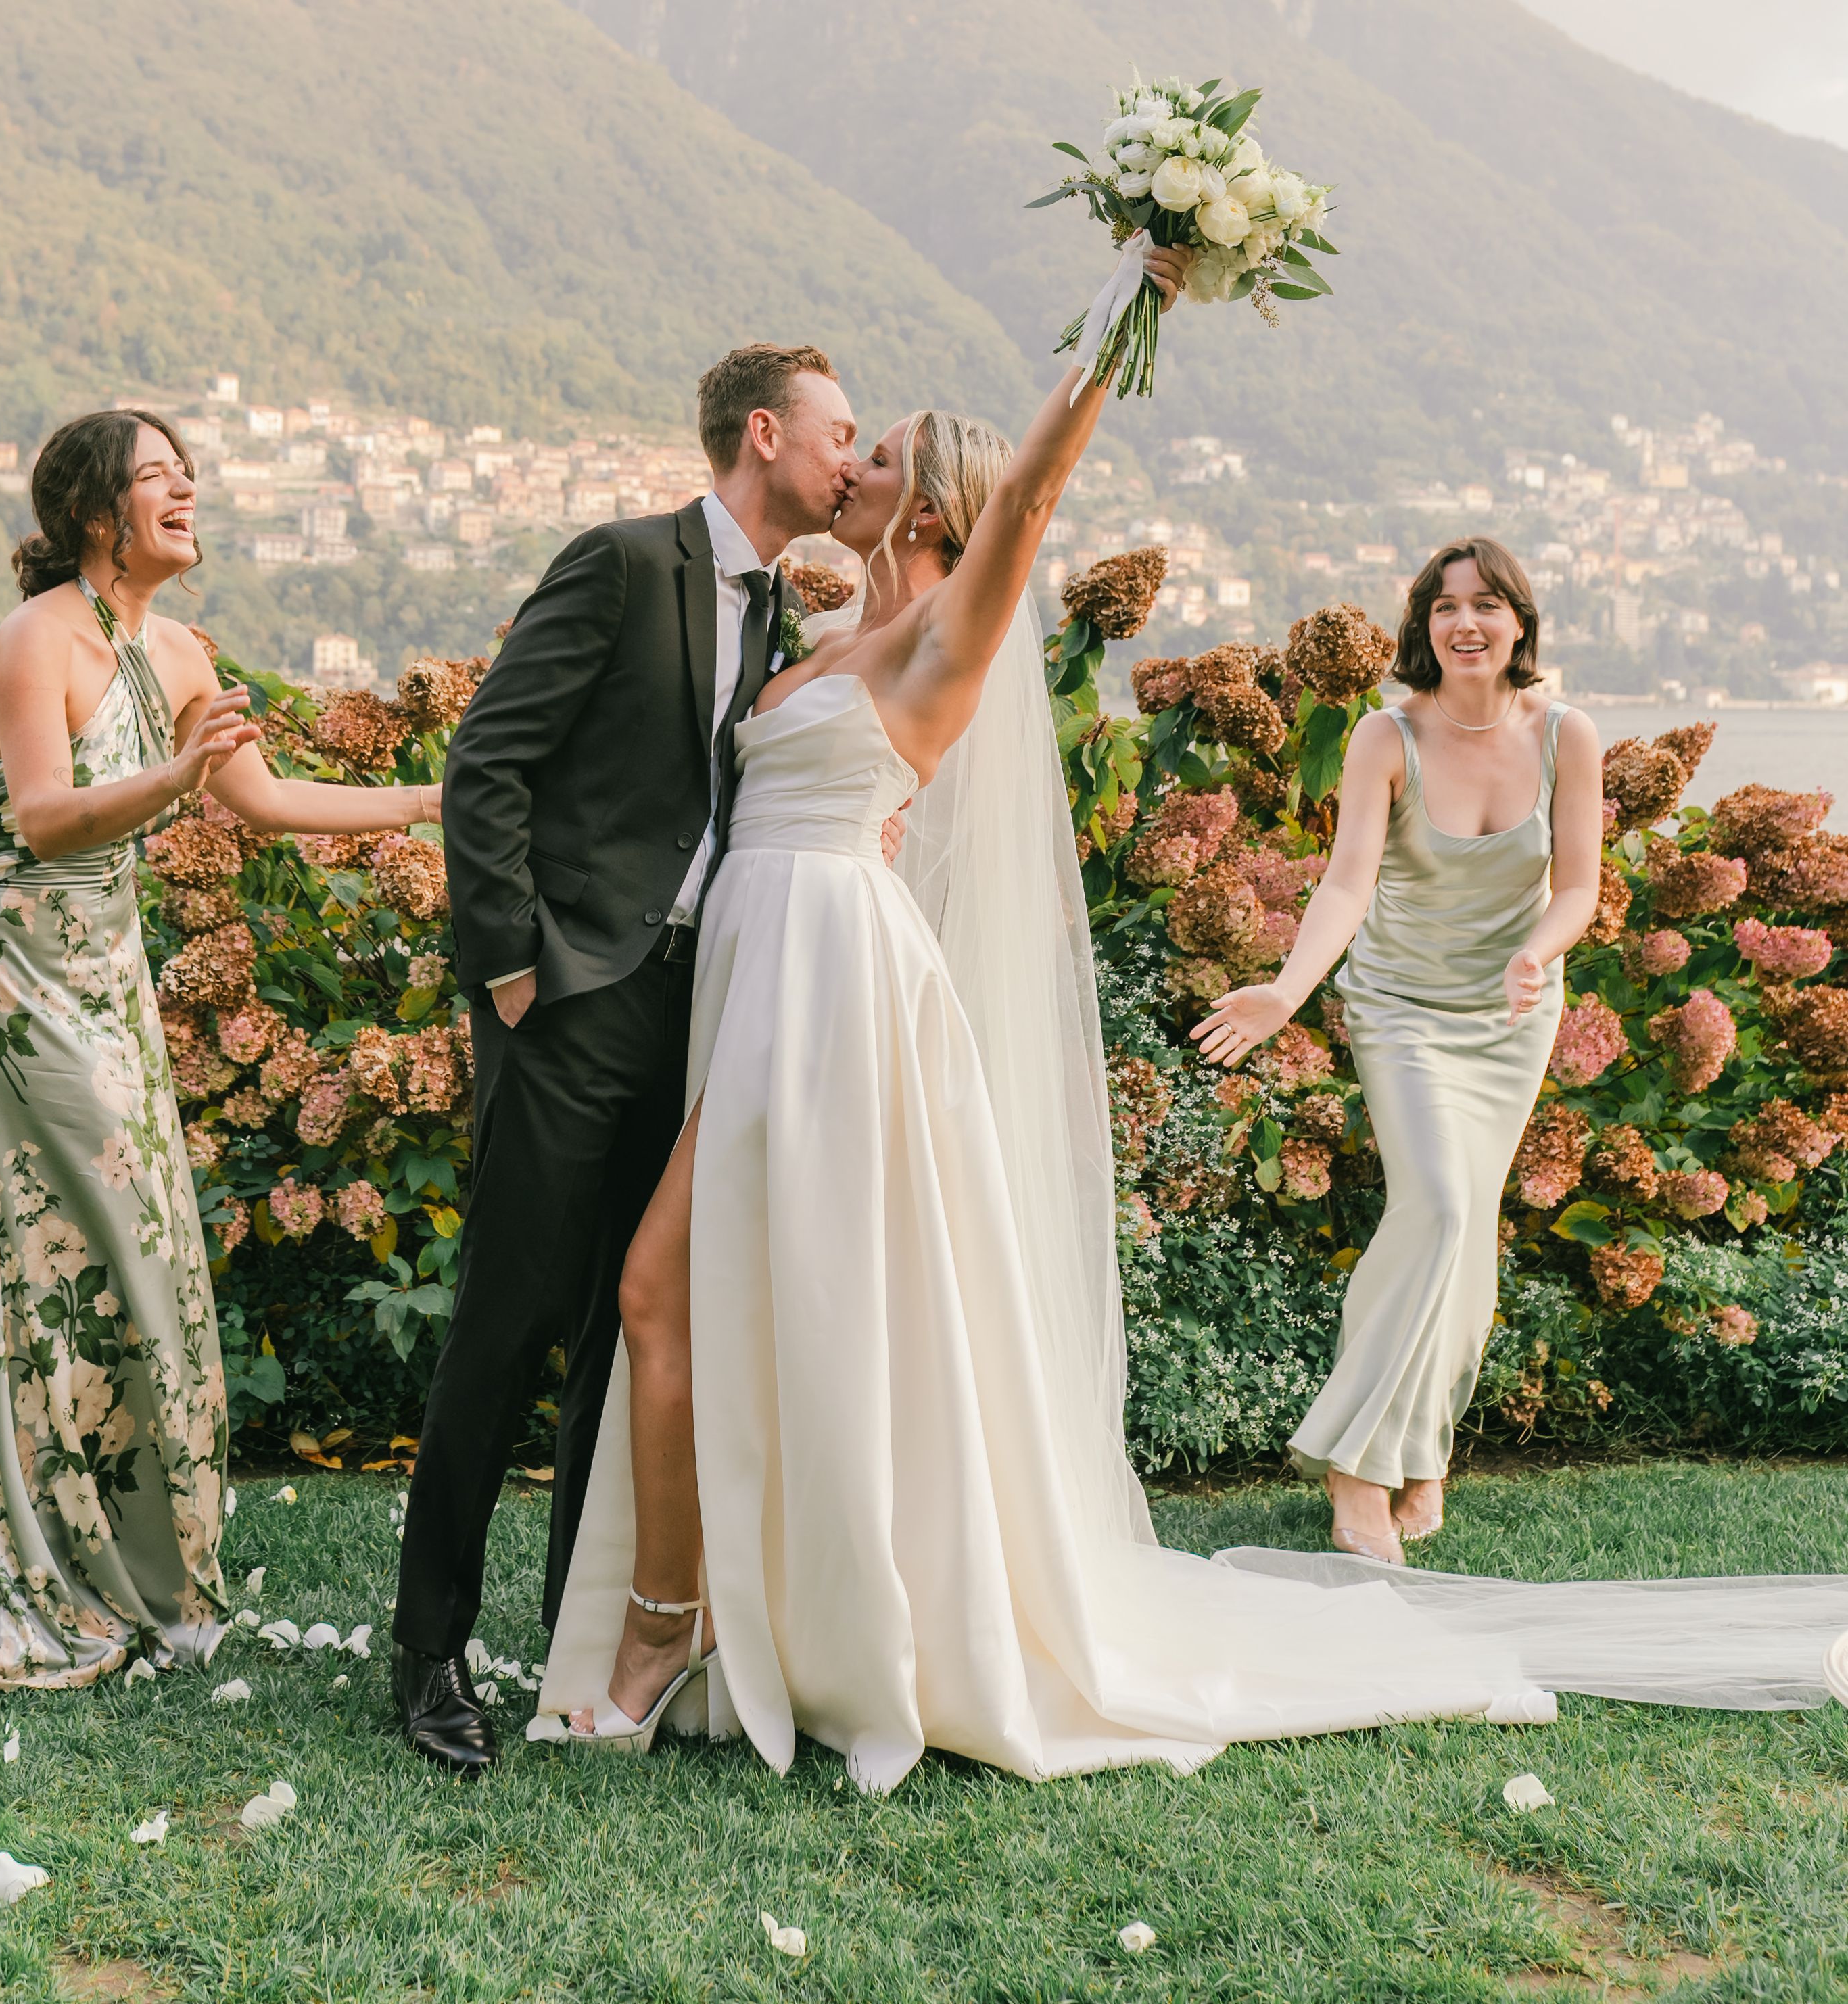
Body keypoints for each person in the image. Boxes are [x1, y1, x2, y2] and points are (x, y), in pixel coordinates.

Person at [536, 355, 1848, 1786]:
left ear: (931, 504)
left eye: (878, 454)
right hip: (768, 967)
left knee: (691, 1291)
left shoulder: (946, 638)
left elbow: (1032, 497)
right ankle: (731, 1609)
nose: (848, 468)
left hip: (830, 981)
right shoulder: (821, 623)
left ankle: (689, 1628)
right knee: (713, 1297)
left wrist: (1132, 304)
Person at [390, 342, 884, 1777]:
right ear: (762, 433)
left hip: (693, 1012)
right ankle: (428, 1658)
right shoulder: (621, 563)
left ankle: (568, 1633)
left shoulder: (792, 606)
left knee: (629, 1331)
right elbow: (488, 760)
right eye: (837, 434)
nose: (852, 462)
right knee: (509, 1320)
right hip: (570, 1005)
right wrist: (511, 971)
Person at [0, 411, 440, 1690]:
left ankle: (142, 1552)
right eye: (158, 476)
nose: (187, 489)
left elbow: (261, 801)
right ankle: (40, 1548)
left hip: (110, 980)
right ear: (100, 515)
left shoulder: (177, 647)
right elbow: (42, 819)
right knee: (64, 1258)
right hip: (21, 980)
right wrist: (175, 778)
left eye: (184, 471)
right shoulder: (33, 640)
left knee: (143, 1247)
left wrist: (437, 796)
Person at [1193, 540, 1601, 1563]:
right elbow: (1346, 883)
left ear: (1520, 624)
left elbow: (1578, 890)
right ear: (1425, 625)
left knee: (1466, 1237)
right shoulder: (1387, 735)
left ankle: (1424, 1448)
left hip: (1511, 1017)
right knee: (1442, 1207)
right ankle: (1358, 1467)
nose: (1467, 623)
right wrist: (1289, 990)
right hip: (1403, 1008)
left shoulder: (1567, 736)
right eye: (1446, 607)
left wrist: (1536, 955)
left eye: (1488, 605)